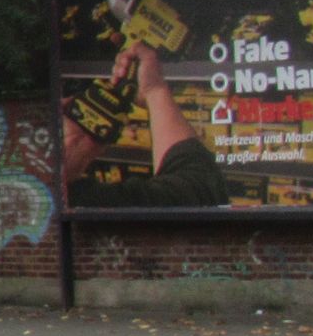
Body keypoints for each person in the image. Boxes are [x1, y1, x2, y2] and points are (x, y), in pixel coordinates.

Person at [63, 40, 231, 209]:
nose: (63, 103)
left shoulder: (62, 203)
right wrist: (155, 91)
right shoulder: (78, 204)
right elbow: (201, 196)